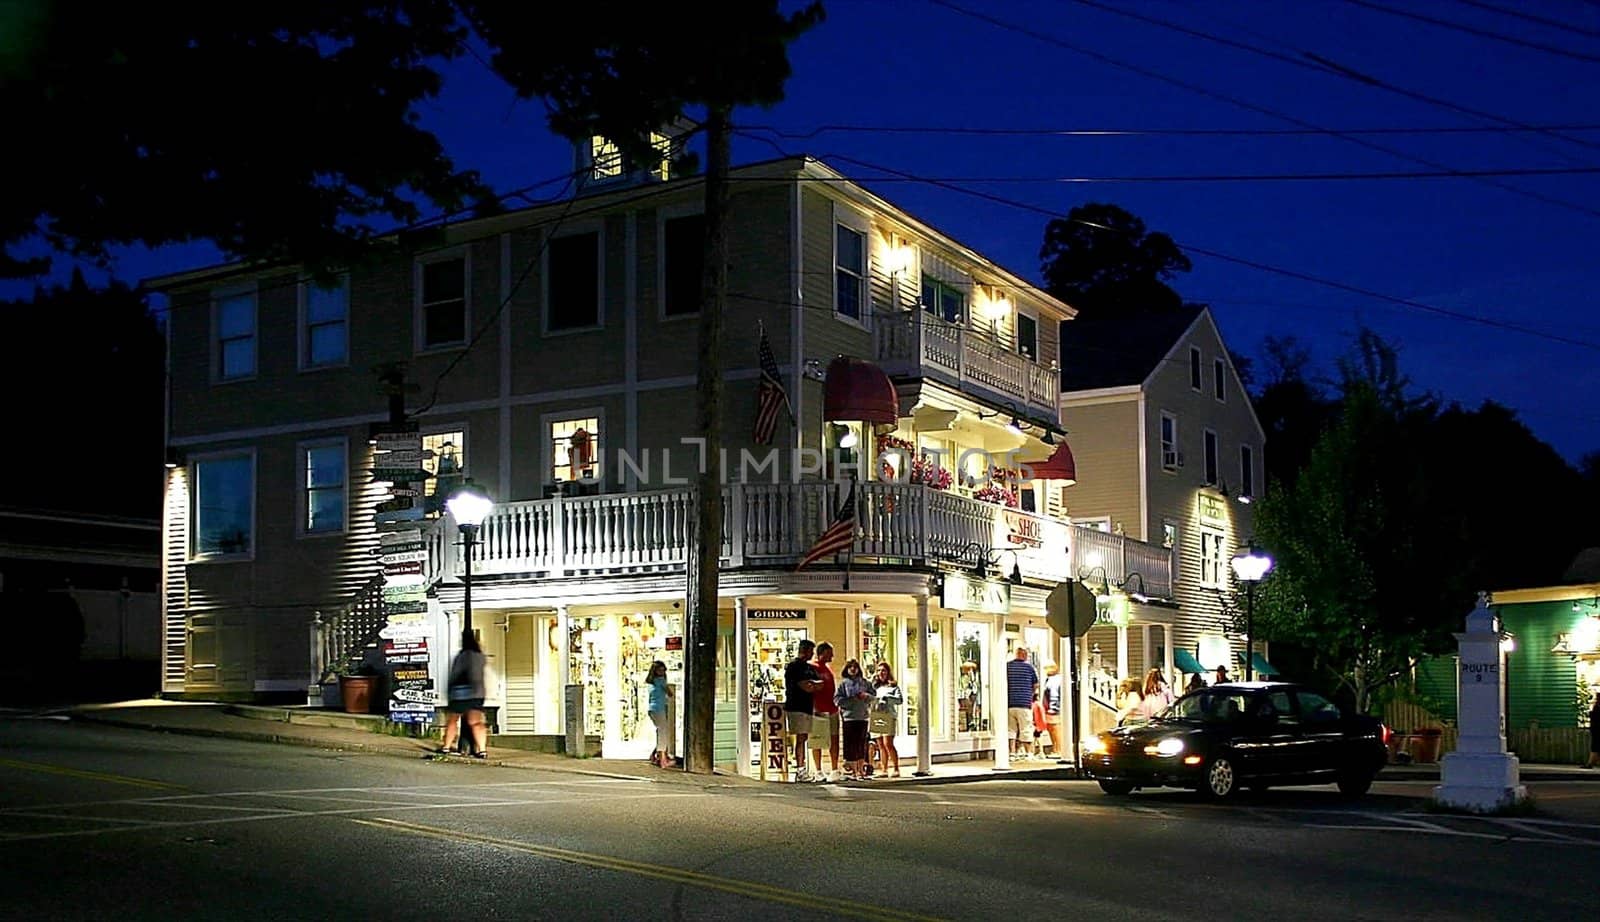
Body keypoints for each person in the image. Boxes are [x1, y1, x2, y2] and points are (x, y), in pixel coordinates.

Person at [439, 629, 488, 759]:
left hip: (460, 692)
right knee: (476, 722)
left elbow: (455, 674)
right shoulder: (480, 656)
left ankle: (446, 746)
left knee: (453, 720)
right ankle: (482, 749)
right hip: (477, 692)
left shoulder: (462, 656)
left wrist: (449, 692)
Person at [783, 639, 821, 782]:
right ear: (804, 650)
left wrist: (813, 684)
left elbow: (819, 684)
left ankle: (802, 767)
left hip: (807, 706)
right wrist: (811, 684)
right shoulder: (794, 667)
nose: (812, 654)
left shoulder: (809, 668)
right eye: (811, 651)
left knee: (804, 737)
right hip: (796, 706)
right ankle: (800, 769)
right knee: (800, 737)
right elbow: (805, 686)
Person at [834, 659, 875, 780]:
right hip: (849, 718)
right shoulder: (843, 684)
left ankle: (861, 770)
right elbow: (837, 699)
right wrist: (849, 701)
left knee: (861, 743)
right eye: (850, 667)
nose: (853, 669)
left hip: (862, 716)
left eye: (855, 667)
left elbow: (873, 696)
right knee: (851, 744)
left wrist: (866, 696)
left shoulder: (865, 683)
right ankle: (853, 770)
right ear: (846, 670)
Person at [810, 642, 842, 782]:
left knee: (834, 739)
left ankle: (834, 769)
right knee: (818, 740)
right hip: (818, 709)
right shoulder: (813, 668)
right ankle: (818, 770)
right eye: (829, 653)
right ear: (822, 653)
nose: (832, 656)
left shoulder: (827, 669)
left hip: (832, 709)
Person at [870, 661, 903, 778]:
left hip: (888, 715)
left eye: (883, 670)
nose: (881, 673)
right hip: (877, 715)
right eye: (878, 670)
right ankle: (884, 769)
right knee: (880, 745)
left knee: (888, 743)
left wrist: (887, 698)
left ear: (888, 672)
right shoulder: (875, 686)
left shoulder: (893, 686)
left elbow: (899, 700)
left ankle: (896, 768)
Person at [1006, 646, 1039, 760]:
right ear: (1024, 655)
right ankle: (1028, 753)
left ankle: (1012, 752)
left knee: (1011, 729)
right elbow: (1035, 685)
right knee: (1026, 728)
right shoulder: (1029, 668)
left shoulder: (1008, 666)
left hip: (1010, 702)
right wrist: (1031, 695)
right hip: (1024, 703)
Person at [645, 660, 672, 769]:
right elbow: (669, 693)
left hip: (652, 709)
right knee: (662, 733)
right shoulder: (661, 681)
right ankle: (663, 760)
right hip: (660, 709)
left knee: (660, 732)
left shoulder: (651, 682)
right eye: (661, 670)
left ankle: (654, 755)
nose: (663, 671)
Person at [1042, 664, 1064, 759]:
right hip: (1051, 708)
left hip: (1053, 709)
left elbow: (1054, 695)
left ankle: (1058, 749)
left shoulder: (1054, 680)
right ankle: (1056, 748)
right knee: (1052, 729)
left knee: (1055, 728)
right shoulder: (1052, 679)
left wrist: (1053, 708)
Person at [1588, 694, 1600, 769]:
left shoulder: (1597, 707)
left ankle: (1590, 763)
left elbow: (1594, 718)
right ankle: (1590, 763)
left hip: (1596, 730)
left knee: (1595, 747)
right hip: (1596, 730)